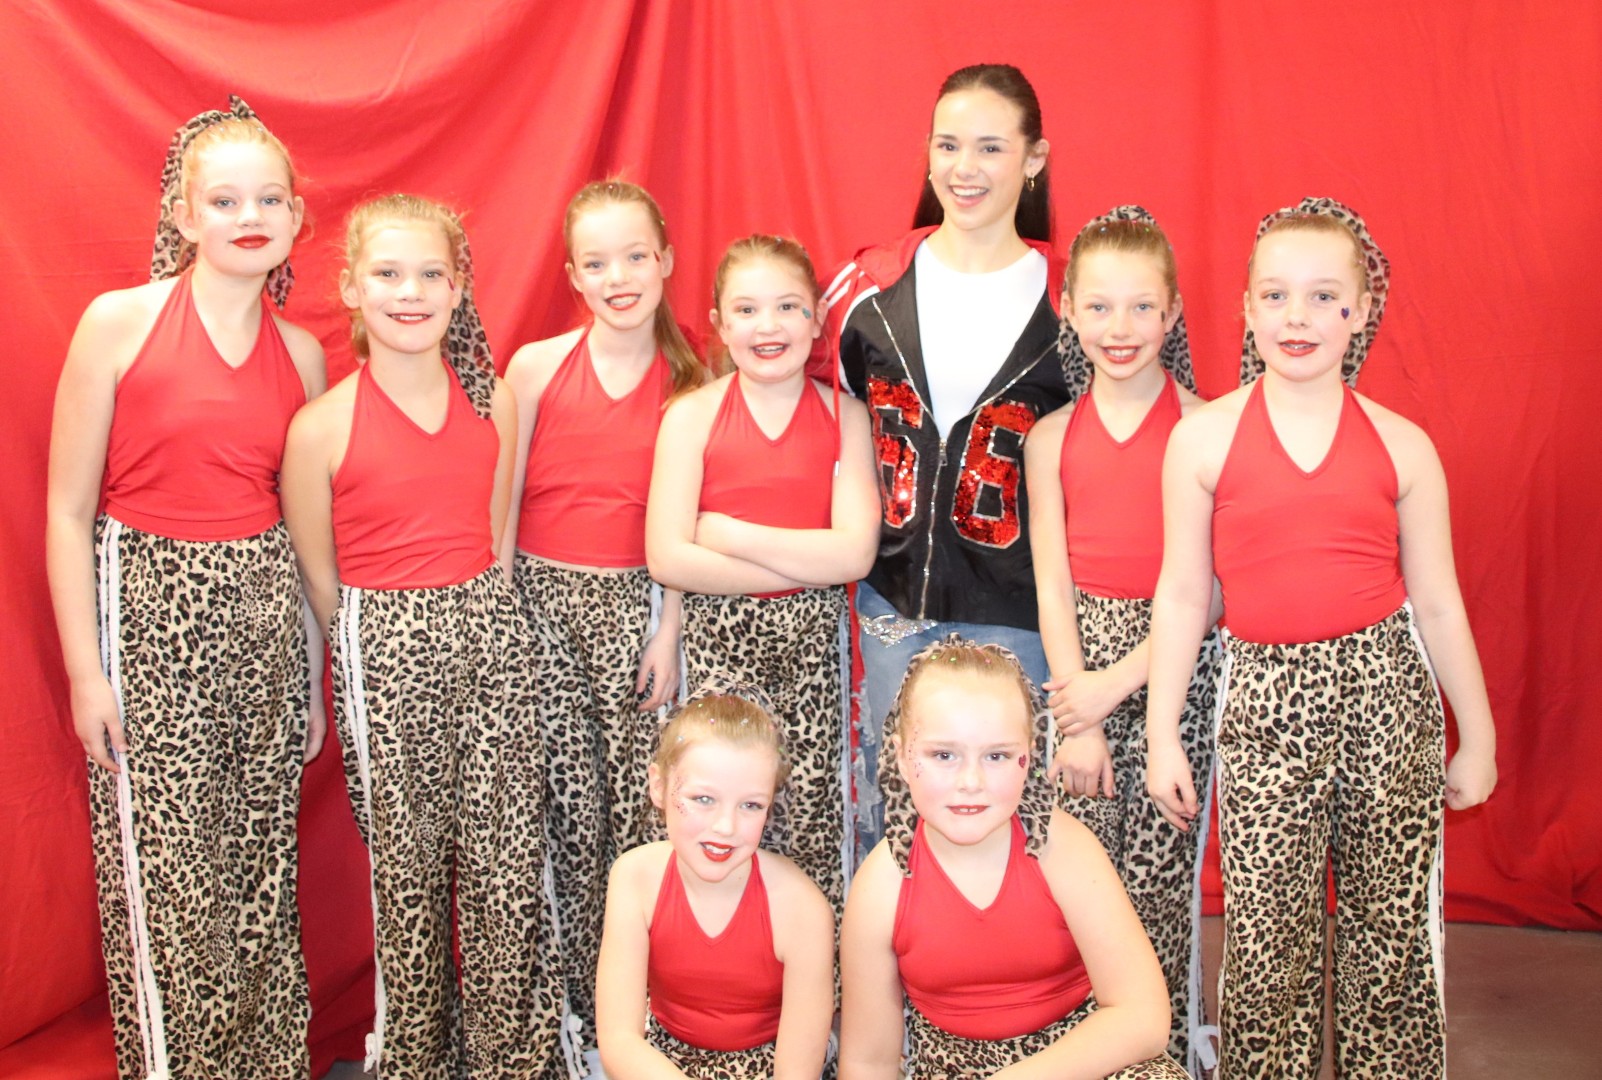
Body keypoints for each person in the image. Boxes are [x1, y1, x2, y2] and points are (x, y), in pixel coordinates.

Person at [1145, 198, 1498, 1078]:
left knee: (1391, 934)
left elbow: (1439, 602)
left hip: (1388, 700)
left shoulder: (1404, 447)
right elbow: (1184, 593)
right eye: (1275, 295)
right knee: (1267, 941)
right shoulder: (1201, 441)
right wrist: (1160, 733)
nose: (1296, 317)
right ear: (1246, 309)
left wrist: (1480, 734)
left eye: (1323, 297)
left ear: (1361, 311)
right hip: (1263, 708)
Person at [45, 97, 323, 1079]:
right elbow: (67, 510)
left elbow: (304, 533)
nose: (250, 216)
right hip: (149, 625)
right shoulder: (117, 324)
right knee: (169, 881)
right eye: (225, 200)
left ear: (296, 216)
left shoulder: (303, 356)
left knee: (259, 871)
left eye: (270, 199)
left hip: (267, 633)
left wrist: (313, 680)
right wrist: (86, 675)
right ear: (182, 214)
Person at [280, 193, 562, 1077]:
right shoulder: (319, 428)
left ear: (458, 286)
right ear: (351, 288)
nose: (410, 292)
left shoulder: (495, 399)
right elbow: (319, 577)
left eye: (430, 274)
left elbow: (497, 533)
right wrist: (366, 654)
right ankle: (414, 1057)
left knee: (506, 862)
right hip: (384, 649)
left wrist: (488, 623)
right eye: (388, 274)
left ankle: (510, 1056)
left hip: (491, 634)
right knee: (407, 875)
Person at [818, 63, 1070, 855]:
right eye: (948, 144)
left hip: (1025, 616)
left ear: (1034, 158)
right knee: (892, 823)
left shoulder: (1076, 297)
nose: (966, 168)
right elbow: (800, 414)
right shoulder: (867, 285)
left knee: (1017, 828)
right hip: (891, 608)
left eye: (991, 147)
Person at [503, 179, 704, 1054]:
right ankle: (571, 1023)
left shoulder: (695, 380)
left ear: (665, 261)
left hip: (640, 612)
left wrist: (669, 628)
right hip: (540, 608)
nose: (617, 277)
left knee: (640, 815)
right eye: (596, 263)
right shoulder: (535, 369)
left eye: (634, 257)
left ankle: (642, 1016)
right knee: (561, 817)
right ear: (573, 276)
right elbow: (502, 507)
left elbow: (691, 523)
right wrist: (503, 619)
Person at [1025, 208, 1222, 1074]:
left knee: (1159, 883)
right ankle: (1084, 1053)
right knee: (1081, 883)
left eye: (1143, 307)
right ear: (1068, 309)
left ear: (1173, 313)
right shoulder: (1049, 439)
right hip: (1078, 674)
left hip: (1176, 664)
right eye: (1100, 307)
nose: (1121, 328)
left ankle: (1163, 1052)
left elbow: (1210, 589)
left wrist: (1123, 687)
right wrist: (1081, 713)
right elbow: (1052, 581)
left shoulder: (1206, 426)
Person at [646, 233, 879, 910]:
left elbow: (854, 556)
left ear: (817, 319)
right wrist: (803, 562)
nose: (767, 326)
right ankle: (718, 959)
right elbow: (667, 557)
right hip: (715, 648)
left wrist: (727, 535)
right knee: (718, 812)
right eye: (746, 310)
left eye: (787, 307)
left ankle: (812, 962)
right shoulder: (691, 417)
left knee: (808, 815)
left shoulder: (845, 416)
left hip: (814, 654)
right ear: (719, 324)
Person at [839, 637, 1187, 1080]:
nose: (971, 781)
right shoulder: (881, 887)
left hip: (1076, 1059)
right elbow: (869, 1061)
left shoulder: (1065, 851)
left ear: (1029, 755)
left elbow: (1143, 1016)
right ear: (902, 759)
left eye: (997, 756)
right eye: (943, 755)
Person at [595, 679, 835, 1079]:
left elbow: (796, 1072)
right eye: (703, 799)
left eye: (750, 805)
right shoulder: (634, 879)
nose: (726, 827)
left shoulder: (801, 908)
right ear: (659, 786)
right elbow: (619, 1040)